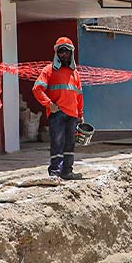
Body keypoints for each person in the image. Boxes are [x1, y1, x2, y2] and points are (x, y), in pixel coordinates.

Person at [32, 37, 84, 180]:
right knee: (57, 143)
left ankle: (67, 171)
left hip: (72, 115)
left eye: (66, 52)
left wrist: (80, 114)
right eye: (61, 52)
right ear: (56, 53)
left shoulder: (75, 73)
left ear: (71, 53)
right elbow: (37, 89)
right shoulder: (48, 70)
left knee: (70, 144)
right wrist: (49, 104)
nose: (63, 55)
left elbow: (79, 95)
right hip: (57, 113)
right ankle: (55, 172)